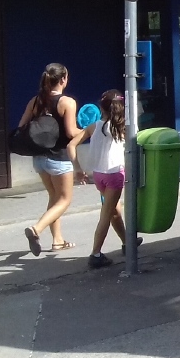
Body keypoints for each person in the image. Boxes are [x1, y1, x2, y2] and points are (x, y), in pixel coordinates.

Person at [67, 90, 132, 268]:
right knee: (106, 215)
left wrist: (78, 169)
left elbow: (71, 145)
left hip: (98, 176)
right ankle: (95, 254)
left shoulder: (93, 126)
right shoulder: (122, 127)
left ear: (101, 108)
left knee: (113, 211)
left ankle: (128, 243)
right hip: (115, 175)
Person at [22, 63, 80, 256]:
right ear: (63, 79)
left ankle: (58, 241)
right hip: (59, 158)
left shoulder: (36, 101)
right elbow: (71, 132)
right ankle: (36, 229)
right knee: (64, 200)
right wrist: (88, 131)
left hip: (39, 158)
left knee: (54, 198)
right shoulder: (67, 102)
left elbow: (22, 126)